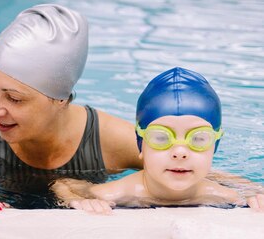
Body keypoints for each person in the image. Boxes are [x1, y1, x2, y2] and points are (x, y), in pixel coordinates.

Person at [0, 4, 142, 210]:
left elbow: (176, 180)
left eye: (14, 98)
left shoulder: (114, 140)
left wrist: (97, 191)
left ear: (60, 99)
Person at [53, 67, 264, 214]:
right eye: (161, 138)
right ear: (141, 144)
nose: (180, 151)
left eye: (198, 139)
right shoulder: (119, 192)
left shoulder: (225, 196)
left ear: (214, 146)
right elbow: (64, 183)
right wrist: (79, 200)